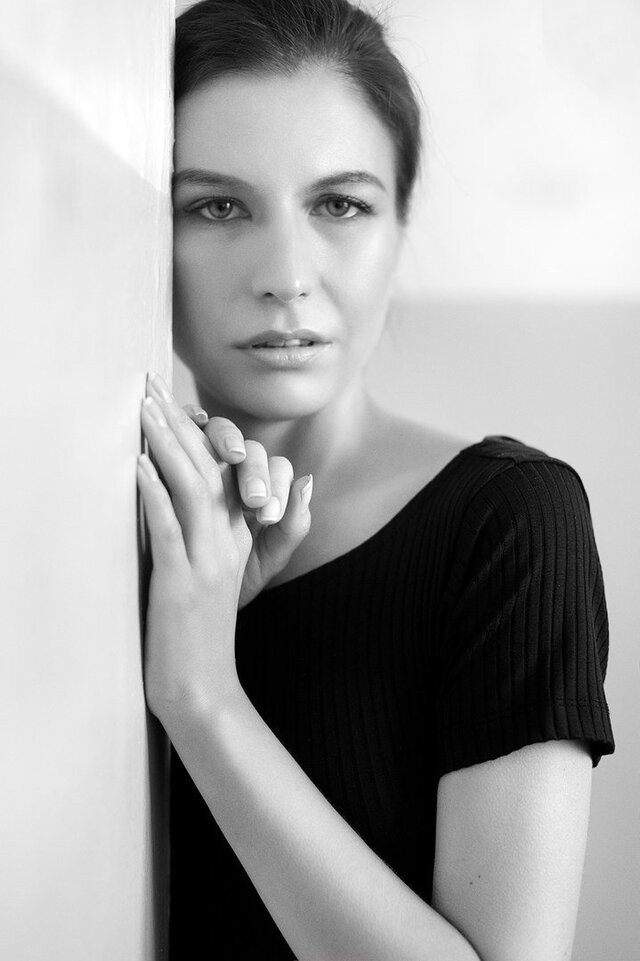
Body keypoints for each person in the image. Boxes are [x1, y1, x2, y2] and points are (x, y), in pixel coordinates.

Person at [136, 1, 615, 957]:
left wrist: (204, 694)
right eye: (217, 206)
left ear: (400, 226)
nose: (285, 275)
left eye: (340, 205)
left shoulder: (509, 521)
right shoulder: (116, 529)